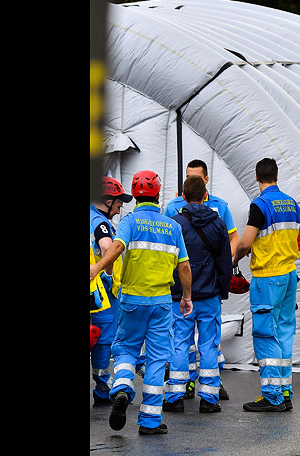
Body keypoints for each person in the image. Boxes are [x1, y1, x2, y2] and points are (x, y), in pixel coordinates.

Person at [90, 170, 193, 436]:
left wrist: (98, 268)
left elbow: (114, 247)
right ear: (158, 195)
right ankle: (150, 421)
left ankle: (123, 387)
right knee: (158, 358)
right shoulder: (173, 226)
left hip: (131, 301)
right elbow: (184, 267)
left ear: (135, 196)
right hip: (160, 304)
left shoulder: (130, 221)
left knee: (125, 347)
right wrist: (186, 297)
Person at [163, 159, 237, 400]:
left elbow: (170, 261)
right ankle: (209, 398)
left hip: (181, 297)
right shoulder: (218, 223)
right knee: (208, 346)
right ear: (205, 195)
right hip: (209, 296)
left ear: (183, 197)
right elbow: (225, 262)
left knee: (180, 345)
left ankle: (175, 396)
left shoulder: (175, 224)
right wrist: (221, 291)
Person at [233, 158, 300, 412]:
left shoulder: (260, 205)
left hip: (268, 277)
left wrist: (235, 260)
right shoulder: (291, 203)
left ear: (256, 176)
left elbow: (245, 242)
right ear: (277, 175)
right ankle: (284, 391)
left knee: (264, 333)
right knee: (284, 331)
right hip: (289, 275)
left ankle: (272, 395)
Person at [90, 177, 132, 405]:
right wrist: (106, 273)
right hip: (100, 295)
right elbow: (107, 246)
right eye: (117, 203)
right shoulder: (100, 222)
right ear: (107, 201)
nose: (119, 208)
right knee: (103, 339)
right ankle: (103, 389)